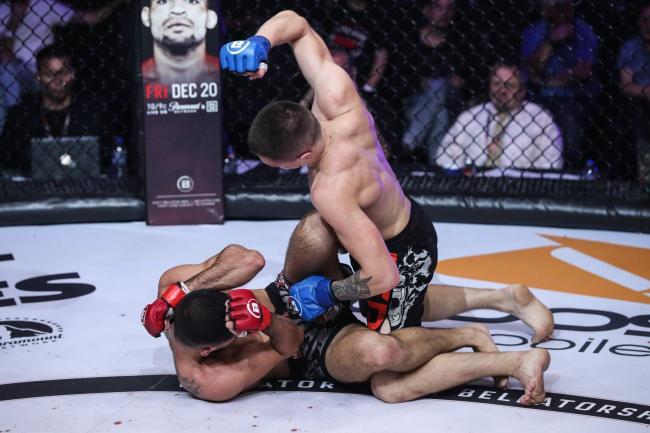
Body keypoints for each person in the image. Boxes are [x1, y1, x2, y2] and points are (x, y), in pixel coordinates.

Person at [220, 10, 554, 340]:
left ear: (304, 157)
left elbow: (383, 276)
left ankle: (473, 333)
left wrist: (327, 293)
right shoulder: (336, 98)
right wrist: (260, 41)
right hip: (379, 224)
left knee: (390, 356)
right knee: (398, 293)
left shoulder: (331, 189)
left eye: (280, 165)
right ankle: (504, 298)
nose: (280, 170)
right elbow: (298, 25)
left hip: (403, 249)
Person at [141, 244, 551, 404]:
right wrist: (265, 320)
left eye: (231, 301)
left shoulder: (172, 292)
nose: (236, 309)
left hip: (284, 297)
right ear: (210, 349)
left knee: (315, 233)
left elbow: (247, 260)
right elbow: (289, 344)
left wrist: (182, 290)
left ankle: (499, 298)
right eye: (236, 329)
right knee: (382, 359)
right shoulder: (212, 379)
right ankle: (471, 337)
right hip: (303, 348)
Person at [0, 45, 111, 175]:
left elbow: (107, 158)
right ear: (38, 77)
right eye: (49, 74)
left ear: (72, 74)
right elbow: (7, 162)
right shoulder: (21, 116)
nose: (57, 81)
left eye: (63, 73)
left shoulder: (93, 112)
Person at [435, 62, 563, 171]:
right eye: (496, 84)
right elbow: (443, 157)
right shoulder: (470, 116)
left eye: (509, 85)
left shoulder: (541, 119)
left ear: (522, 90)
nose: (502, 91)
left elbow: (551, 165)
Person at [521, 0, 599, 169]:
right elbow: (532, 69)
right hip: (537, 96)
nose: (564, 11)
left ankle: (570, 171)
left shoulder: (583, 31)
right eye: (557, 6)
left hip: (573, 96)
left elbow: (584, 72)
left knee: (568, 122)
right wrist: (551, 41)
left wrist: (547, 81)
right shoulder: (535, 31)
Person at [0, 0, 129, 73]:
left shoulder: (44, 4)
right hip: (9, 69)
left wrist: (116, 2)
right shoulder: (3, 9)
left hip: (40, 68)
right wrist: (14, 20)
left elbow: (90, 18)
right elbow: (5, 53)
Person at [140, 0, 221, 84]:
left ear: (210, 18)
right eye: (162, 1)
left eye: (192, 1)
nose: (177, 10)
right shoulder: (136, 80)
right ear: (146, 17)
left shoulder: (225, 75)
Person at [617, 2, 650, 187]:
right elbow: (625, 86)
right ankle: (644, 176)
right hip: (640, 101)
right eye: (645, 20)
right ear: (639, 22)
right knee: (637, 114)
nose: (649, 25)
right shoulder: (630, 47)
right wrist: (645, 91)